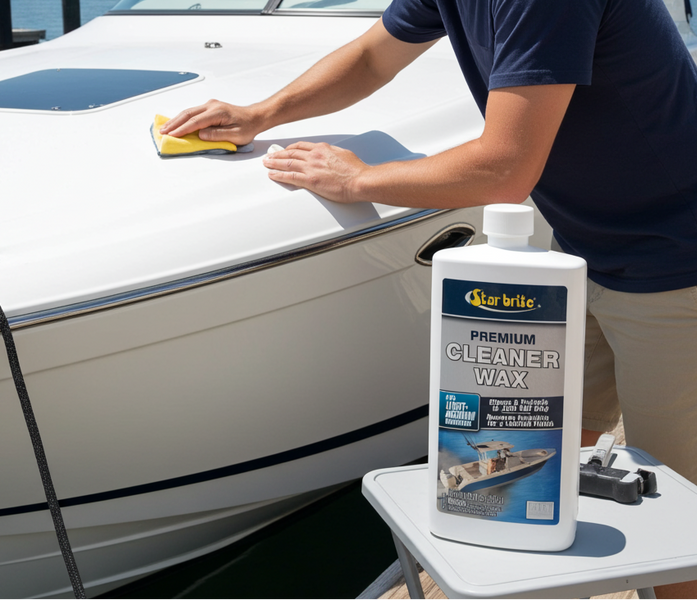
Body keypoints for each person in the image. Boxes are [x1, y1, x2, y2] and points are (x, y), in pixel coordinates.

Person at [161, 2, 697, 597]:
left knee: (676, 523)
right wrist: (260, 114)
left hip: (678, 264)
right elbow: (372, 55)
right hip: (587, 249)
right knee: (537, 472)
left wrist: (358, 180)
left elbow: (505, 169)